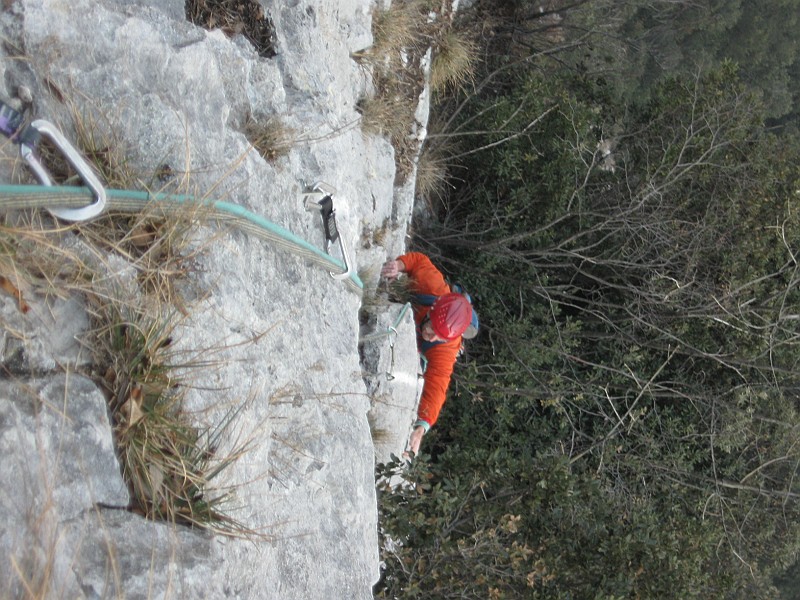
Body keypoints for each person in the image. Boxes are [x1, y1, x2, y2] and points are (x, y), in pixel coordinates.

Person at [380, 252, 477, 457]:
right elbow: (419, 262)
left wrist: (421, 427)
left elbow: (438, 385)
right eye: (432, 330)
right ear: (433, 310)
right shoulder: (433, 288)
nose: (431, 337)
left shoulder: (447, 347)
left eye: (438, 337)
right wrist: (399, 265)